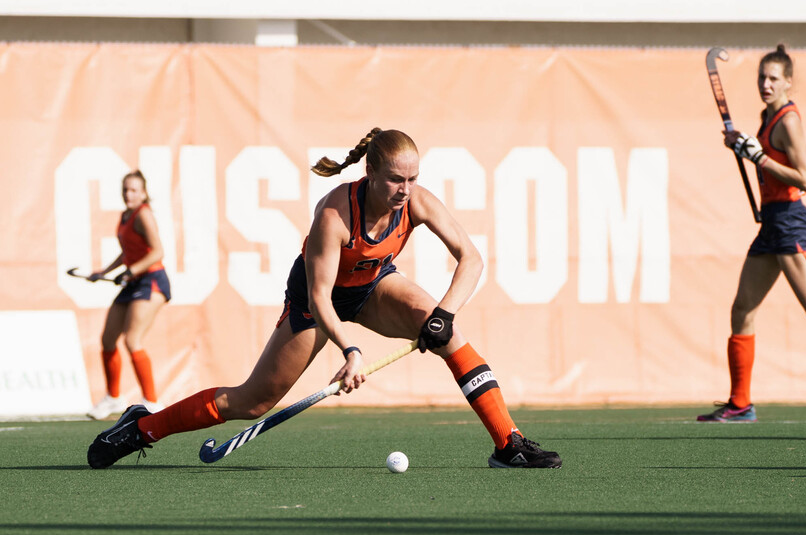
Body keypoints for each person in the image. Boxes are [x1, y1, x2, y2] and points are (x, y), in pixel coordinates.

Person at [87, 128, 561, 469]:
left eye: (413, 179)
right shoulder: (335, 213)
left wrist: (443, 314)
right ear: (371, 171)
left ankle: (508, 442)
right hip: (317, 302)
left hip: (373, 287)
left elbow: (471, 259)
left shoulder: (416, 201)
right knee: (251, 403)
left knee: (449, 335)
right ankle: (142, 427)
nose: (406, 190)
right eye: (397, 179)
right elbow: (320, 297)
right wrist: (350, 350)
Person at [698, 45, 806, 422]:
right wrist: (745, 146)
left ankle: (740, 403)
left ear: (788, 82)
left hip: (789, 220)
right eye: (762, 77)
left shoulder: (788, 121)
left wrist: (758, 156)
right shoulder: (769, 116)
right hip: (772, 223)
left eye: (773, 78)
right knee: (742, 309)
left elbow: (805, 178)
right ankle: (740, 403)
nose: (765, 83)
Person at [85, 170, 170, 420]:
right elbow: (127, 253)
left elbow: (158, 252)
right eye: (125, 189)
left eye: (133, 190)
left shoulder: (144, 214)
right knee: (108, 340)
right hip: (133, 281)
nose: (128, 194)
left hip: (152, 280)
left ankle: (153, 403)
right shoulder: (126, 215)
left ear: (143, 193)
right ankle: (113, 398)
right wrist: (104, 272)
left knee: (133, 340)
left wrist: (129, 271)